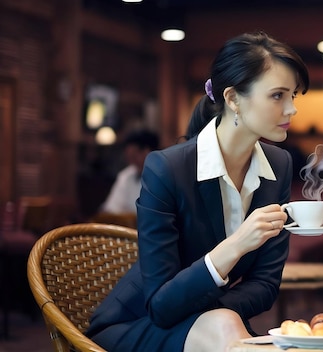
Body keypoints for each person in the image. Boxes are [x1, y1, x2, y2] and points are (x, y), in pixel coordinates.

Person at [86, 32, 310, 351]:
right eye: (278, 96)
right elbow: (161, 307)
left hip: (214, 324)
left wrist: (211, 310)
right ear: (232, 99)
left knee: (229, 328)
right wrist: (236, 245)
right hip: (136, 325)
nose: (291, 109)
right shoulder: (167, 168)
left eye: (294, 96)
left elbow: (265, 286)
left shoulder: (279, 165)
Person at [99, 129, 160, 214]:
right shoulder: (126, 176)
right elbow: (111, 209)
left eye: (134, 156)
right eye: (129, 157)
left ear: (147, 151)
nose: (132, 161)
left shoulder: (165, 178)